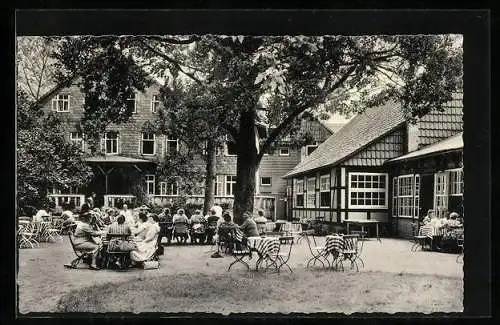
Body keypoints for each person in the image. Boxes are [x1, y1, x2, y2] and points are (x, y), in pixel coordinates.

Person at [69, 204, 106, 270]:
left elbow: (92, 232)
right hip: (80, 243)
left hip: (79, 242)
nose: (91, 219)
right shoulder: (84, 225)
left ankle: (93, 261)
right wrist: (104, 232)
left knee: (97, 243)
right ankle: (93, 264)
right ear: (87, 218)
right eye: (90, 218)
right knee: (96, 247)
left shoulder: (82, 224)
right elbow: (94, 234)